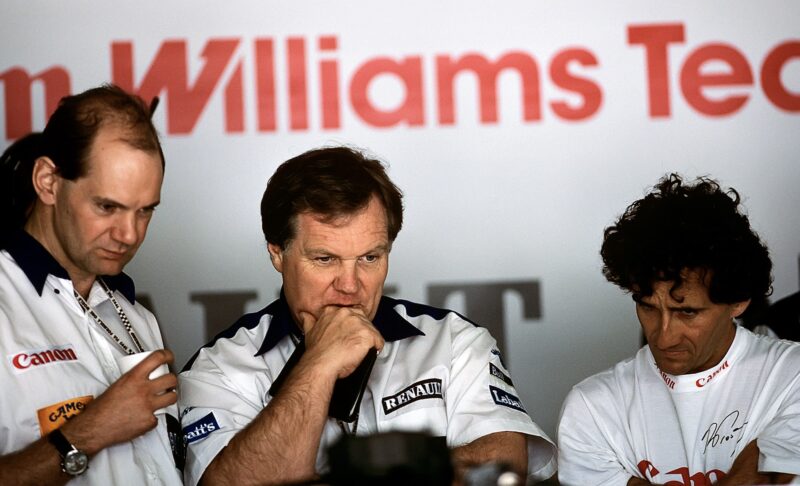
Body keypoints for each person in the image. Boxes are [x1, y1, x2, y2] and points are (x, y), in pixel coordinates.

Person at [178, 146, 556, 486]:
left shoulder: (455, 341)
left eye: (370, 258)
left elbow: (501, 467)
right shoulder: (220, 367)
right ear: (277, 253)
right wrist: (319, 364)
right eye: (325, 259)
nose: (350, 286)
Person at [557, 174, 800, 485]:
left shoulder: (792, 376)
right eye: (647, 306)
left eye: (687, 311)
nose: (663, 335)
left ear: (739, 301)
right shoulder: (592, 407)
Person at [0, 85, 182, 485]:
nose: (130, 234)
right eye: (107, 207)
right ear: (47, 181)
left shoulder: (136, 316)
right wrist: (90, 431)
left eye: (145, 211)